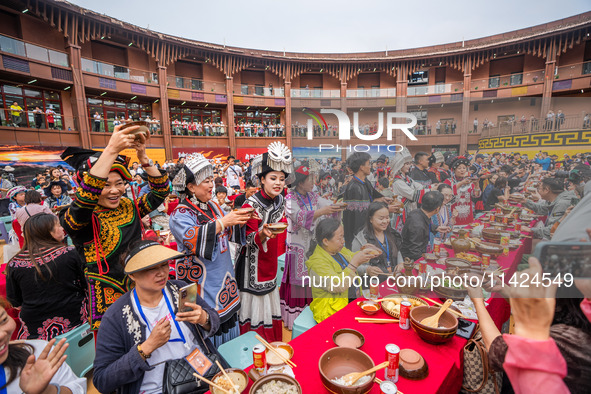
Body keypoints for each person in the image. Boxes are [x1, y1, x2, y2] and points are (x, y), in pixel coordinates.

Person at [60, 125, 170, 331]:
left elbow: (162, 190)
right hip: (106, 299)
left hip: (141, 287)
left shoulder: (129, 205)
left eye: (119, 183)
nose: (114, 191)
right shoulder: (77, 216)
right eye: (105, 185)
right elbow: (83, 204)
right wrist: (110, 151)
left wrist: (143, 157)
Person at [93, 240, 223, 394]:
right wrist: (146, 348)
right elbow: (102, 380)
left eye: (164, 264)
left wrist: (204, 319)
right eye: (151, 268)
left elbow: (214, 321)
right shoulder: (116, 316)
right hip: (155, 389)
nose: (161, 273)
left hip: (203, 376)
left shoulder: (179, 288)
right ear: (133, 275)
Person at [169, 154, 250, 347]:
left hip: (223, 280)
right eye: (206, 181)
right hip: (200, 285)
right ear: (191, 187)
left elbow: (227, 232)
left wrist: (239, 218)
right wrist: (223, 222)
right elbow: (192, 237)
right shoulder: (180, 213)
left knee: (229, 330)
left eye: (211, 180)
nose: (211, 186)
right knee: (205, 328)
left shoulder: (213, 205)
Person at [235, 142, 292, 341]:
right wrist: (263, 233)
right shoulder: (250, 204)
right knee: (255, 309)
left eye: (282, 179)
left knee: (270, 301)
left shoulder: (280, 200)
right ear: (261, 180)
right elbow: (247, 240)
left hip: (270, 262)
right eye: (273, 178)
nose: (278, 183)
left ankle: (273, 345)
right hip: (252, 267)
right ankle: (254, 348)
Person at [6, 213, 86, 340]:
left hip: (35, 332)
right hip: (77, 322)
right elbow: (86, 285)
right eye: (58, 226)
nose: (62, 229)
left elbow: (15, 302)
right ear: (47, 232)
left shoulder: (14, 264)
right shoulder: (70, 253)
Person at [281, 165, 342, 329]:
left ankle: (309, 317)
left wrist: (337, 206)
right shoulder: (290, 199)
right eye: (310, 179)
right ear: (300, 183)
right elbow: (300, 217)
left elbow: (326, 204)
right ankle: (294, 321)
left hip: (311, 247)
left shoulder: (312, 196)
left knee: (311, 282)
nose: (313, 182)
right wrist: (323, 211)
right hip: (297, 246)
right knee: (298, 285)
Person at [0, 298, 86, 393]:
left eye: (3, 320)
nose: (1, 335)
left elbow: (77, 389)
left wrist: (47, 390)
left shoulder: (37, 354)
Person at [305, 218, 373, 322]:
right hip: (331, 312)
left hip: (351, 302)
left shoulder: (337, 250)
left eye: (343, 236)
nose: (343, 241)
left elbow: (352, 257)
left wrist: (364, 252)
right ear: (326, 241)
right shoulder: (317, 263)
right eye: (339, 238)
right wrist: (354, 264)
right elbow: (337, 285)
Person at [342, 152, 386, 249]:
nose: (370, 166)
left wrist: (385, 200)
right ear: (361, 167)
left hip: (366, 232)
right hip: (358, 237)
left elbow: (374, 196)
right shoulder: (354, 187)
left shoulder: (365, 182)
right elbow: (359, 216)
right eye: (368, 164)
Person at [351, 201, 402, 278]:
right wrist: (367, 270)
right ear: (370, 219)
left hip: (393, 278)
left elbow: (397, 252)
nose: (385, 221)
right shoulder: (361, 240)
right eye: (381, 218)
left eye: (387, 217)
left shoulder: (392, 234)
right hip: (374, 284)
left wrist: (401, 263)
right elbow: (353, 265)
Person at [390, 148, 433, 232]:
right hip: (402, 214)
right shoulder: (398, 182)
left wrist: (431, 187)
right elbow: (413, 195)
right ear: (400, 166)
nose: (409, 166)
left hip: (410, 211)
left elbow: (420, 187)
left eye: (410, 163)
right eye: (406, 164)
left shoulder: (408, 179)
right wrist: (431, 190)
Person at [400, 191, 450, 261]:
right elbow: (414, 252)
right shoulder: (418, 226)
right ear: (437, 209)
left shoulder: (417, 212)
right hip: (411, 260)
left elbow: (424, 222)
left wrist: (436, 228)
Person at [444, 156, 481, 225]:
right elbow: (447, 194)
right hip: (453, 213)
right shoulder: (448, 181)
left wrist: (476, 184)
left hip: (467, 214)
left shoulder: (469, 181)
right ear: (454, 170)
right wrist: (461, 183)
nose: (462, 170)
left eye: (464, 168)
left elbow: (476, 195)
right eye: (459, 168)